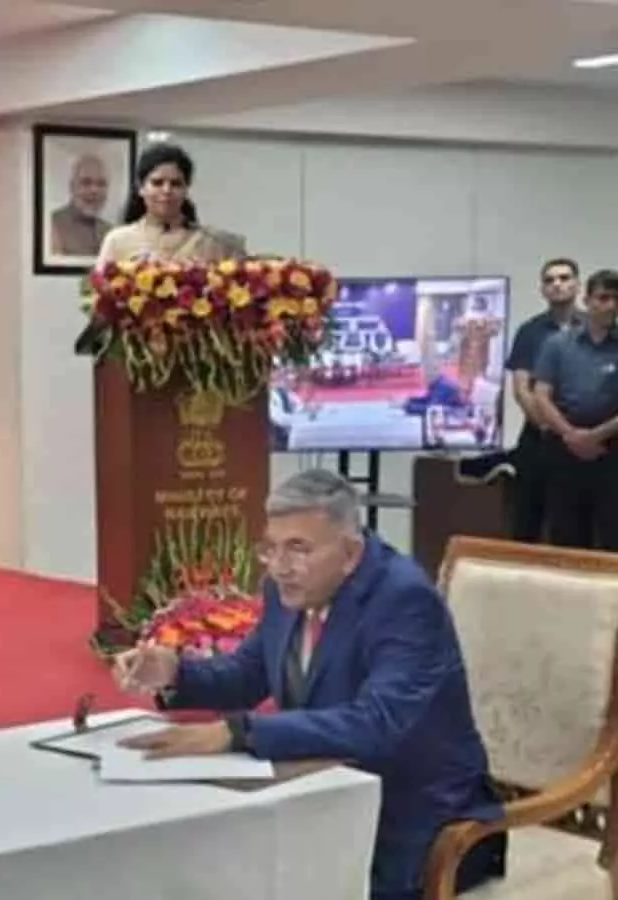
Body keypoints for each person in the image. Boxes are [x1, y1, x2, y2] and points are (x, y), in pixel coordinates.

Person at [113, 469, 504, 900]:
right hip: (320, 797)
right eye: (271, 547)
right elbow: (247, 676)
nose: (280, 567)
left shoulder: (404, 600)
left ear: (350, 553)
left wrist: (238, 733)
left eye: (298, 548)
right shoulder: (286, 590)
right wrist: (173, 672)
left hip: (416, 825)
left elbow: (376, 723)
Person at [493, 258, 582, 541]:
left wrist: (576, 435)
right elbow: (522, 389)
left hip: (584, 441)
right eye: (550, 280)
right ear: (542, 289)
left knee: (576, 524)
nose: (557, 284)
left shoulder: (594, 330)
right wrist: (552, 428)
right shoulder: (530, 331)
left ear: (577, 285)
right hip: (539, 436)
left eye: (564, 278)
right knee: (527, 520)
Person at [531, 268, 618, 551]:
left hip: (611, 449)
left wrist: (594, 436)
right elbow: (541, 395)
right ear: (587, 300)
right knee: (566, 535)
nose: (611, 305)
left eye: (616, 299)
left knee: (612, 535)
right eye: (603, 298)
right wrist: (571, 435)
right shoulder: (558, 344)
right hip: (564, 449)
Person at [95, 142, 245, 270]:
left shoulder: (216, 243)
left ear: (186, 189)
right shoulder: (118, 241)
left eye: (176, 184)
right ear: (141, 188)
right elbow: (100, 291)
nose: (166, 190)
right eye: (157, 183)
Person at [49, 153, 112, 258]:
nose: (94, 190)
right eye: (86, 183)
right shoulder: (51, 226)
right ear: (72, 187)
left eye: (101, 184)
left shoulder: (111, 232)